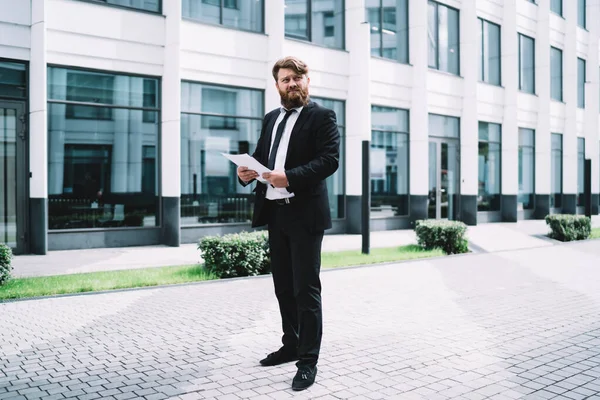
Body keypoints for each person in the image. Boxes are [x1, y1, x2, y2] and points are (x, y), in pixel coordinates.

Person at [237, 56, 340, 391]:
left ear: (306, 81)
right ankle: (291, 343)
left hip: (305, 215)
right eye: (285, 79)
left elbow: (329, 160)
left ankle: (308, 362)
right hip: (275, 214)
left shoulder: (322, 116)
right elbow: (262, 158)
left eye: (297, 78)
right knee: (283, 287)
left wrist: (289, 177)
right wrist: (246, 172)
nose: (292, 84)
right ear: (277, 85)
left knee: (306, 290)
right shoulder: (271, 119)